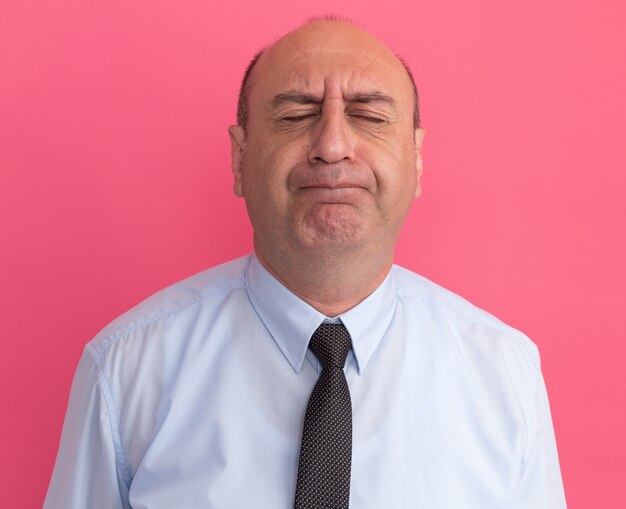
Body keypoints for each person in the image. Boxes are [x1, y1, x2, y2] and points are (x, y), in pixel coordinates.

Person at [44, 18, 567, 509]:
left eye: (369, 115)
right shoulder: (124, 370)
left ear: (417, 158)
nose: (333, 145)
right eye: (295, 115)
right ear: (240, 158)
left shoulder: (505, 374)